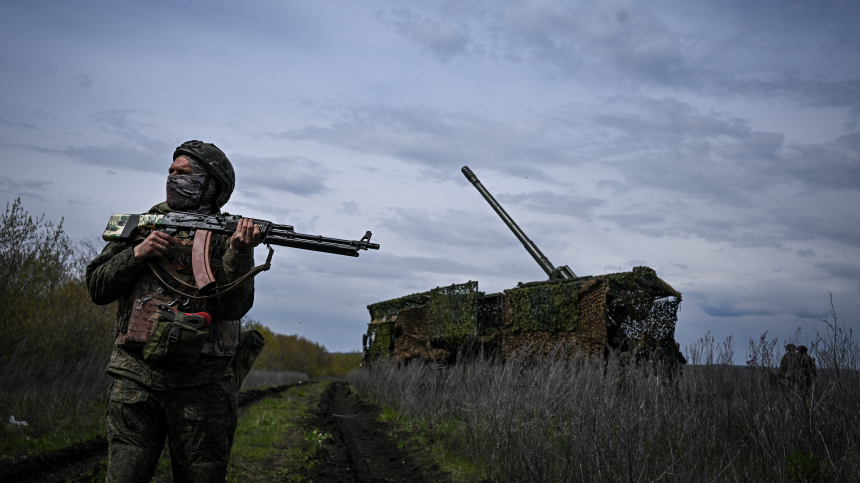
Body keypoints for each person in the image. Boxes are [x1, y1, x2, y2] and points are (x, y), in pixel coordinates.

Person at [87, 140, 262, 482]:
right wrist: (137, 254)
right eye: (170, 171)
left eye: (184, 173)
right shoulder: (142, 225)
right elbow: (97, 287)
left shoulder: (229, 235)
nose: (172, 178)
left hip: (204, 386)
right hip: (136, 379)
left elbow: (234, 307)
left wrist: (240, 253)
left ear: (211, 184)